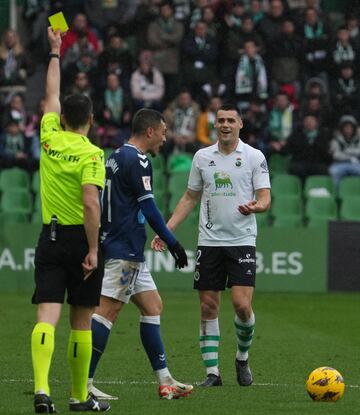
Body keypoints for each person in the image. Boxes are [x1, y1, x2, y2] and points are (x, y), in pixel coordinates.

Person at [152, 103, 271, 387]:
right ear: (214, 125)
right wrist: (165, 231)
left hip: (242, 241)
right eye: (220, 121)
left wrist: (257, 206)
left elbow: (265, 197)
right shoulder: (202, 157)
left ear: (241, 124)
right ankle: (212, 373)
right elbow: (190, 198)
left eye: (231, 120)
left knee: (242, 306)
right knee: (208, 307)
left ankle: (242, 357)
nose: (225, 125)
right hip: (210, 241)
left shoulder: (254, 157)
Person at [87, 108, 193, 401]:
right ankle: (84, 382)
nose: (164, 137)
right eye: (162, 131)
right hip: (125, 248)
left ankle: (165, 380)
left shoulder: (116, 155)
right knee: (107, 312)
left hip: (122, 244)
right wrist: (172, 242)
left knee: (153, 306)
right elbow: (149, 208)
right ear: (149, 131)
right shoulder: (139, 159)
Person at [30, 27, 110, 413]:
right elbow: (91, 203)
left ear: (61, 118)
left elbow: (49, 95)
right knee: (81, 322)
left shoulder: (48, 137)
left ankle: (42, 389)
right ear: (91, 120)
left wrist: (55, 52)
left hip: (50, 236)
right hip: (81, 240)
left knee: (47, 315)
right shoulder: (93, 154)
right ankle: (79, 397)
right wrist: (94, 249)